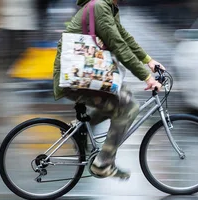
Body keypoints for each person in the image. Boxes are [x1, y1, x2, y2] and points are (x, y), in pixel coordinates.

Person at [53, 0, 163, 179]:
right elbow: (118, 46)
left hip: (86, 75)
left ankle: (79, 128)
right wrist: (147, 77)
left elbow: (123, 36)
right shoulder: (99, 7)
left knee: (123, 96)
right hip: (76, 77)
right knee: (129, 108)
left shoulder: (108, 7)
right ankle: (103, 164)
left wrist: (148, 60)